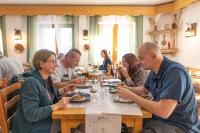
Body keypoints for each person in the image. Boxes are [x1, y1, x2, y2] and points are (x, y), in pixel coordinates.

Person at [118, 42, 200, 133]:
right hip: (159, 120)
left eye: (141, 58)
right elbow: (143, 91)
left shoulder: (175, 72)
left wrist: (131, 96)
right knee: (122, 125)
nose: (138, 62)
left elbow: (164, 111)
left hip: (179, 126)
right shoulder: (154, 70)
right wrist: (127, 88)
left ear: (154, 56)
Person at [12, 49, 76, 133]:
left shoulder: (46, 79)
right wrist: (56, 106)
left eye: (56, 62)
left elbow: (48, 95)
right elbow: (31, 114)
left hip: (43, 120)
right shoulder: (31, 83)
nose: (56, 65)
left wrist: (64, 89)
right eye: (53, 62)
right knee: (71, 124)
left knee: (72, 122)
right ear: (42, 64)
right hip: (31, 127)